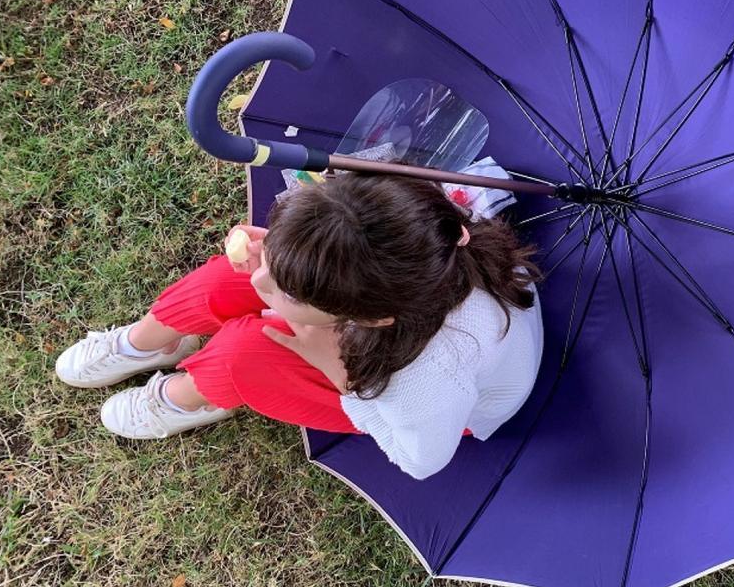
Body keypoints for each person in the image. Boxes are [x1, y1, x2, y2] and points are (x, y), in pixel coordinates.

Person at [55, 172, 544, 480]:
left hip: (440, 403)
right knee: (233, 275)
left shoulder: (422, 382)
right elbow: (346, 232)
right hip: (397, 314)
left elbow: (420, 460)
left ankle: (190, 395)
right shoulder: (417, 232)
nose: (262, 274)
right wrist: (288, 247)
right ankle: (147, 343)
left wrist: (343, 377)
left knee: (246, 353)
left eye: (290, 291)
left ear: (366, 319)